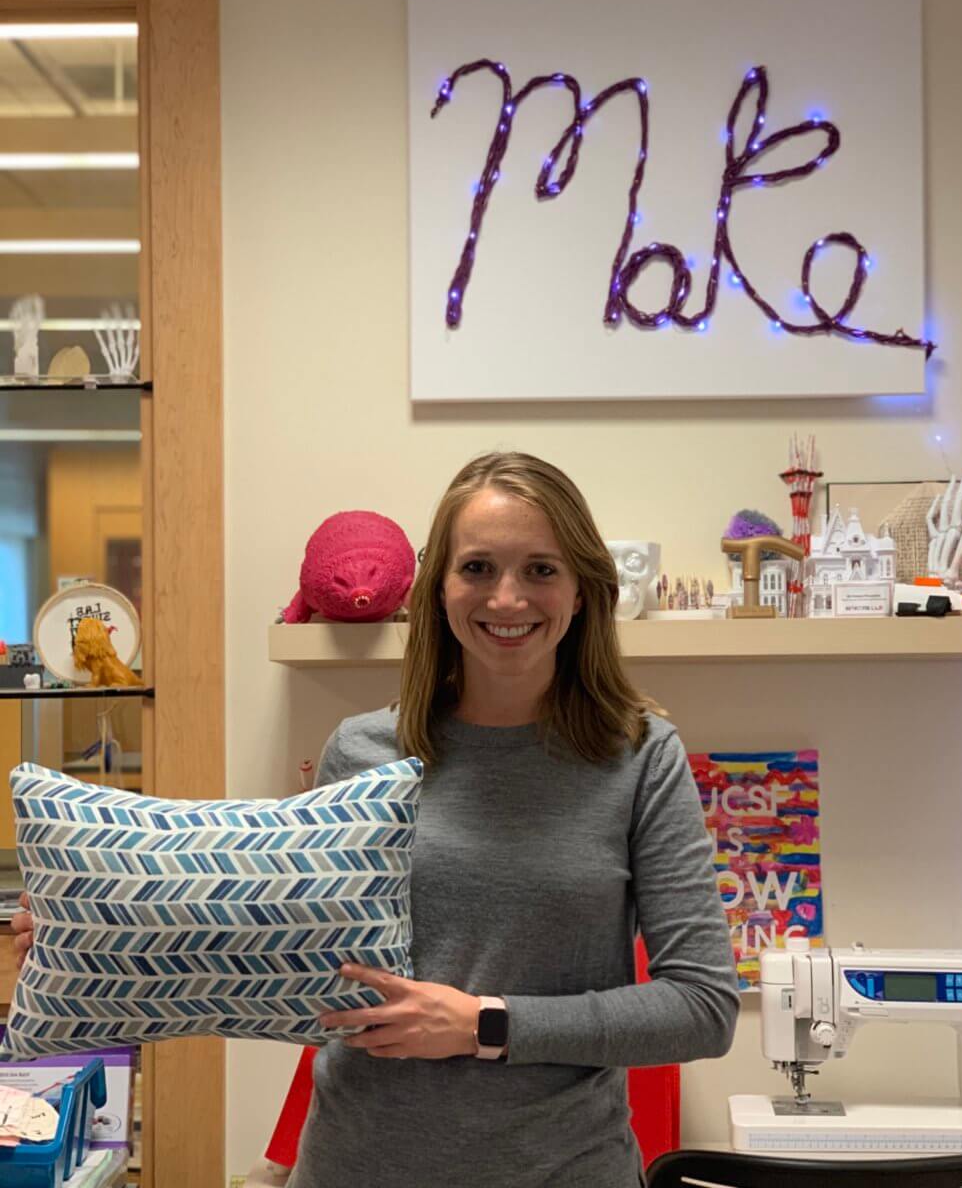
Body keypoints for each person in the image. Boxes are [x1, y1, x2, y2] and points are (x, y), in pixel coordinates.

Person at [13, 451, 739, 1188]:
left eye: (542, 570)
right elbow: (290, 949)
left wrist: (487, 1024)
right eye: (479, 568)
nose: (508, 598)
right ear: (439, 588)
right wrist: (110, 920)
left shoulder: (641, 758)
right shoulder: (362, 751)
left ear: (584, 591)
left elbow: (702, 1005)